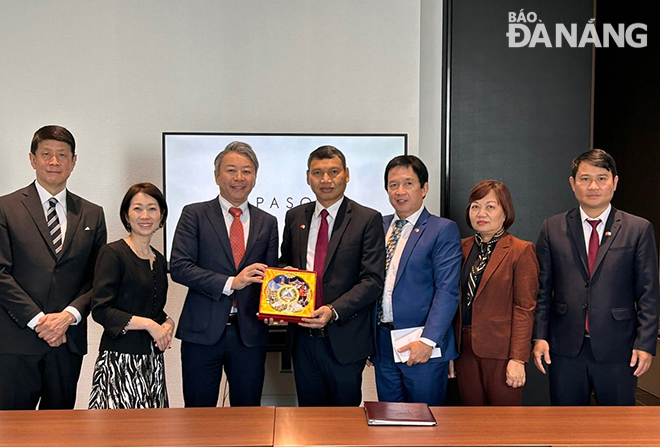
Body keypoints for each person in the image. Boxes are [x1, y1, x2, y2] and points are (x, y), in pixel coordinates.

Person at [533, 149, 659, 405]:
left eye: (602, 178)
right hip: (565, 348)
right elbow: (542, 290)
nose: (593, 186)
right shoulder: (552, 228)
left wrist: (645, 343)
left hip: (619, 348)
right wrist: (539, 336)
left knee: (616, 431)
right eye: (585, 178)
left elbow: (649, 292)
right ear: (572, 184)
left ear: (614, 182)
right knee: (567, 429)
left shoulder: (638, 229)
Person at [0, 125, 107, 410]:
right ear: (33, 159)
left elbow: (97, 278)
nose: (54, 161)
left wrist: (67, 317)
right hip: (16, 341)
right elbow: (1, 274)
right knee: (12, 431)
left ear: (74, 162)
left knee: (60, 432)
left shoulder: (92, 214)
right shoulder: (5, 208)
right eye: (46, 154)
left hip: (67, 341)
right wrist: (39, 321)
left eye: (62, 155)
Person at [170, 141, 278, 407]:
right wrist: (232, 282)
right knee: (198, 414)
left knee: (248, 415)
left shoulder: (268, 221)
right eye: (231, 170)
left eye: (247, 171)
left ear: (255, 176)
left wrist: (279, 301)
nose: (239, 178)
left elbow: (269, 276)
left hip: (249, 334)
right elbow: (180, 266)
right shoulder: (193, 214)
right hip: (202, 332)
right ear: (217, 175)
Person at [279, 145, 385, 407]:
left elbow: (373, 280)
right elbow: (284, 264)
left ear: (346, 175)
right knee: (308, 421)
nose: (325, 180)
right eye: (318, 173)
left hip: (344, 339)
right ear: (308, 177)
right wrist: (283, 275)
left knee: (345, 425)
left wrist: (333, 310)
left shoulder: (367, 219)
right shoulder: (295, 217)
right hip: (302, 341)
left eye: (333, 172)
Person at [371, 155, 461, 406]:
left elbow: (447, 291)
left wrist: (428, 342)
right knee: (389, 423)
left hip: (421, 345)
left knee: (425, 426)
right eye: (393, 184)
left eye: (408, 183)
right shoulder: (378, 226)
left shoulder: (442, 229)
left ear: (424, 188)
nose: (400, 191)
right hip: (382, 344)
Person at [89, 183, 173, 409]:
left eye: (152, 208)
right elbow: (101, 310)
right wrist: (148, 325)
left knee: (153, 438)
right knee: (116, 438)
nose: (145, 215)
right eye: (137, 209)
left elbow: (150, 307)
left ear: (162, 215)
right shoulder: (112, 253)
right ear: (126, 215)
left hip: (152, 363)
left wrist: (166, 321)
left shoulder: (159, 259)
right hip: (119, 363)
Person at [453, 180, 538, 405]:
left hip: (502, 353)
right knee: (471, 422)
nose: (481, 213)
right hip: (464, 351)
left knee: (504, 425)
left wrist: (518, 359)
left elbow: (524, 309)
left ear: (505, 211)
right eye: (475, 206)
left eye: (490, 206)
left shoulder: (521, 250)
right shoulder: (459, 247)